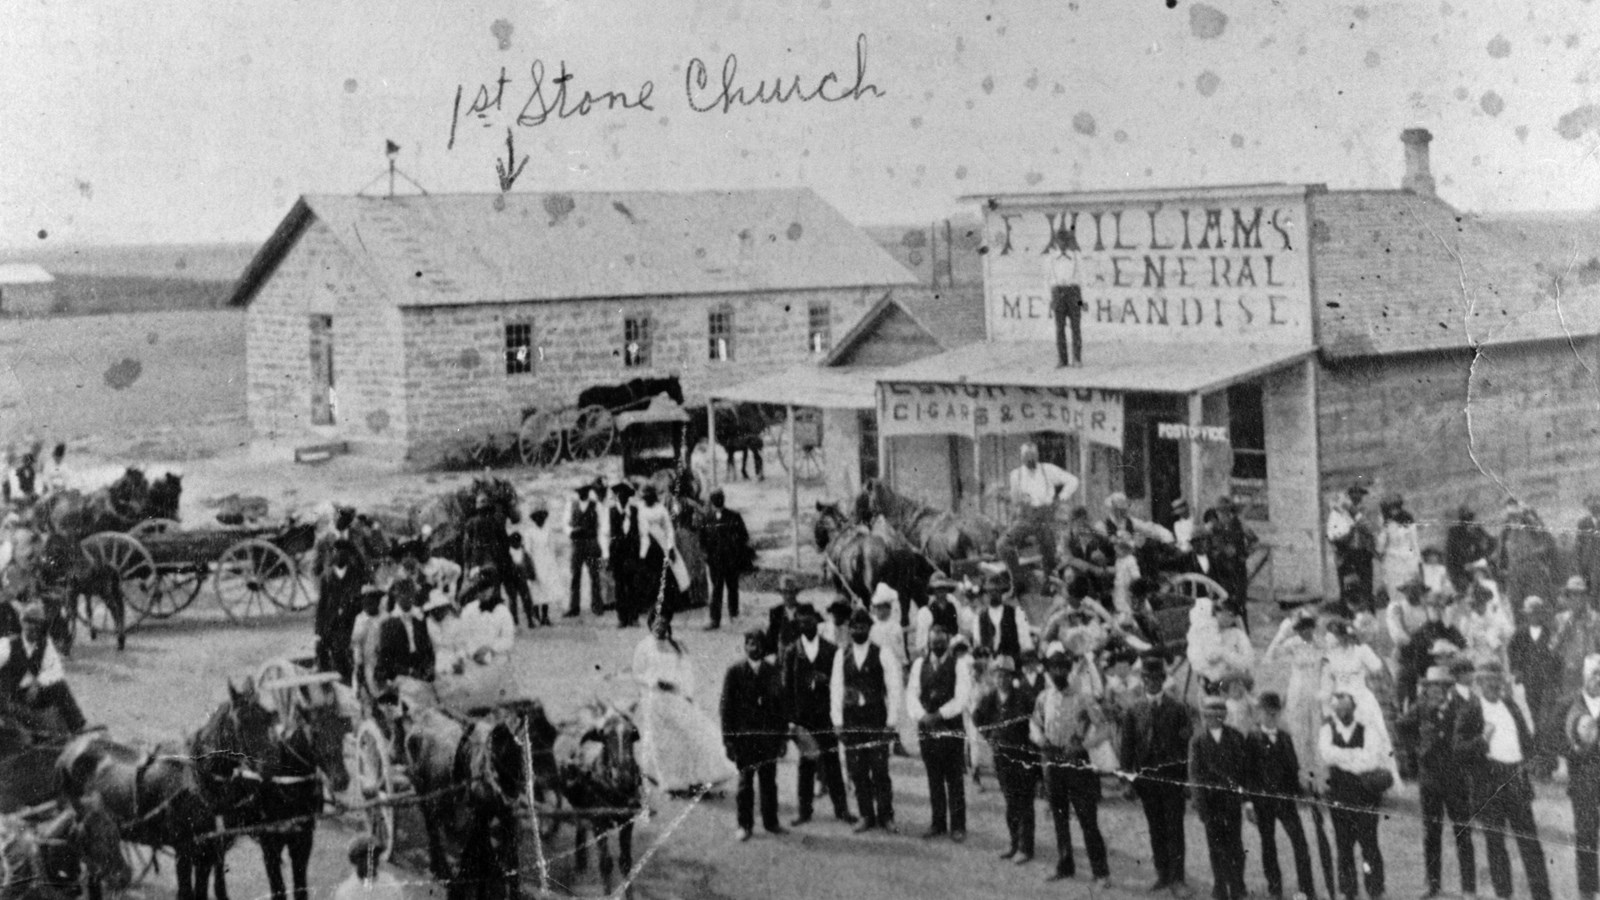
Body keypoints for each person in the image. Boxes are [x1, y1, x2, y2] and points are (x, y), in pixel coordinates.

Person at [1454, 659, 1552, 900]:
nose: (1493, 686)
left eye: (1497, 681)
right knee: (1495, 844)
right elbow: (1457, 749)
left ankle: (1542, 896)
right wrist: (1482, 741)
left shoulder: (1511, 706)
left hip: (1516, 779)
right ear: (1478, 683)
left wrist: (1534, 762)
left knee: (1530, 843)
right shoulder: (1471, 711)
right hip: (1489, 782)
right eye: (1488, 681)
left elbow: (1527, 742)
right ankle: (1503, 895)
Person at [1031, 643, 1110, 886]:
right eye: (1052, 668)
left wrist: (1084, 745)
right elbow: (1034, 724)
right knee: (1059, 816)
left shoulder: (1083, 697)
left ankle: (1101, 872)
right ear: (1048, 670)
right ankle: (1065, 865)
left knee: (1087, 818)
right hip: (1052, 761)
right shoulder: (1044, 696)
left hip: (1076, 762)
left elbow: (1105, 728)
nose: (1057, 673)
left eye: (1061, 668)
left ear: (1068, 669)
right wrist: (1040, 739)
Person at [632, 615, 738, 796]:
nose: (660, 628)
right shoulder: (644, 647)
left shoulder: (677, 646)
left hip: (676, 696)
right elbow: (638, 673)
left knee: (695, 734)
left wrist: (686, 693)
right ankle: (672, 783)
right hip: (655, 700)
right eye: (656, 624)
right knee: (665, 742)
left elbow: (687, 672)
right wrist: (655, 681)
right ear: (650, 626)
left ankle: (695, 778)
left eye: (663, 624)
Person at [1399, 665, 1478, 900]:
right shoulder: (1420, 708)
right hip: (1430, 780)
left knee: (1463, 833)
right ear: (1427, 688)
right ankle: (1433, 886)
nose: (1438, 691)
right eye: (1434, 686)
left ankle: (1469, 889)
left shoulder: (1462, 708)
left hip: (1456, 779)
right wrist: (1417, 749)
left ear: (1450, 688)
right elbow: (1402, 727)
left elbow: (1473, 736)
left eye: (1443, 686)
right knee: (1431, 833)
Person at [1120, 655, 1193, 892]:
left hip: (1171, 779)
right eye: (1147, 678)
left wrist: (1186, 781)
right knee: (1156, 828)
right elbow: (1127, 747)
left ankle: (1178, 878)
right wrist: (1127, 781)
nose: (1152, 682)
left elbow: (1186, 747)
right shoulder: (1134, 709)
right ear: (1142, 680)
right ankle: (1163, 874)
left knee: (1175, 828)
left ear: (1163, 679)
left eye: (1157, 677)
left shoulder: (1178, 708)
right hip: (1146, 780)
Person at [781, 605, 854, 826]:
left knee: (832, 761)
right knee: (806, 764)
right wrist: (791, 721)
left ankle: (841, 810)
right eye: (802, 622)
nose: (807, 625)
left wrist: (826, 681)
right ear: (798, 625)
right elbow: (787, 688)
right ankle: (804, 811)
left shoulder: (831, 650)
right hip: (804, 718)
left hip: (826, 715)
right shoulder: (792, 652)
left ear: (817, 622)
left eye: (810, 621)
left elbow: (839, 684)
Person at [830, 608, 902, 833]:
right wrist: (838, 722)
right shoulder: (842, 654)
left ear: (870, 629)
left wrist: (891, 723)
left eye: (862, 627)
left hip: (875, 718)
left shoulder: (883, 653)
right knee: (858, 770)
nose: (858, 630)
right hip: (852, 719)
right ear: (849, 629)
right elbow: (836, 689)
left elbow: (894, 689)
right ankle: (865, 815)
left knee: (880, 769)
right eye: (854, 627)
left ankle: (886, 815)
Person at [1244, 692, 1315, 900]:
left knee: (1300, 843)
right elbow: (1248, 772)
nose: (1271, 717)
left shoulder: (1285, 737)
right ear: (1260, 712)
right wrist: (1248, 802)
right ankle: (1275, 888)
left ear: (1279, 713)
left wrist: (1302, 791)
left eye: (1275, 713)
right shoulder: (1252, 737)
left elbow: (1292, 769)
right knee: (1268, 844)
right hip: (1263, 802)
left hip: (1285, 801)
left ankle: (1306, 889)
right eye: (1267, 713)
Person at [1320, 690, 1390, 900]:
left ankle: (1375, 890)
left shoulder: (1367, 730)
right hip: (1339, 795)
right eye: (1339, 708)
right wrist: (1355, 757)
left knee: (1369, 844)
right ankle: (1348, 891)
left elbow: (1371, 761)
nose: (1343, 712)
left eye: (1347, 708)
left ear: (1354, 708)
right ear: (1334, 710)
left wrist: (1341, 757)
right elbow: (1326, 755)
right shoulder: (1326, 729)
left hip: (1365, 795)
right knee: (1344, 845)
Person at [905, 621, 971, 842]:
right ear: (929, 642)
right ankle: (938, 823)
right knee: (934, 777)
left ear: (948, 641)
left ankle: (958, 826)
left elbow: (962, 698)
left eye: (942, 640)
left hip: (950, 727)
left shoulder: (958, 665)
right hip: (927, 728)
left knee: (954, 777)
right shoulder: (918, 665)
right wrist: (922, 716)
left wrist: (940, 714)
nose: (938, 644)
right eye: (934, 641)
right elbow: (911, 695)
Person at [720, 628, 788, 841]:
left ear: (764, 647)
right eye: (750, 643)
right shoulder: (734, 672)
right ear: (745, 646)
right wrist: (728, 740)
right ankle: (744, 825)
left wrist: (782, 738)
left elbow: (781, 707)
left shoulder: (773, 671)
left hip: (768, 739)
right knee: (745, 784)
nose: (754, 647)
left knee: (769, 782)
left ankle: (771, 822)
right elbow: (726, 708)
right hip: (744, 740)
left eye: (758, 643)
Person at [973, 654, 1038, 865]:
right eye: (998, 675)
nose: (1002, 680)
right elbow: (977, 717)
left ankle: (1025, 848)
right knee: (1010, 802)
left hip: (1023, 756)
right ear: (993, 676)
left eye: (1006, 676)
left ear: (1012, 677)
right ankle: (1013, 844)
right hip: (1001, 758)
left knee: (1025, 802)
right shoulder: (990, 698)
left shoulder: (1024, 698)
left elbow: (1035, 724)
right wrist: (989, 736)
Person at [1319, 616, 1400, 784]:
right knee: (1341, 735)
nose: (1330, 638)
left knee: (1370, 735)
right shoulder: (1329, 656)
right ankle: (1346, 778)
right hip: (1340, 700)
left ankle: (1373, 777)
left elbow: (1377, 667)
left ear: (1342, 635)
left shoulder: (1361, 650)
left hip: (1361, 698)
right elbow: (1327, 682)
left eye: (1333, 634)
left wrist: (1362, 674)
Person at [998, 443, 1078, 597]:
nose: (1030, 460)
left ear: (1038, 456)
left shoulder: (1048, 470)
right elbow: (1015, 500)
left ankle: (1049, 584)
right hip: (1025, 518)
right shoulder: (1016, 474)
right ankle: (1017, 582)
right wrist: (1017, 503)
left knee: (1049, 548)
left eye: (1033, 457)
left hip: (1045, 517)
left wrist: (1060, 498)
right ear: (1021, 458)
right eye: (1027, 457)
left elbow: (1073, 481)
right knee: (1003, 544)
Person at [1190, 695, 1248, 900]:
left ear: (1224, 716)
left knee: (1235, 846)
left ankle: (1238, 886)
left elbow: (1243, 771)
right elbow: (1195, 775)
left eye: (1218, 715)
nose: (1213, 719)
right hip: (1210, 802)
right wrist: (1200, 805)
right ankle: (1220, 886)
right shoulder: (1198, 741)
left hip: (1231, 802)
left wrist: (1245, 799)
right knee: (1216, 847)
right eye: (1209, 715)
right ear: (1204, 716)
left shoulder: (1235, 737)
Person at [0, 603, 86, 733]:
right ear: (22, 623)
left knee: (60, 687)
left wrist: (37, 683)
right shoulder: (8, 645)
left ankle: (78, 727)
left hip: (33, 694)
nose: (34, 627)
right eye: (30, 622)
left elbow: (56, 670)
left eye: (38, 623)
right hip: (12, 698)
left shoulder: (45, 644)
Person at [1264, 609, 1325, 789]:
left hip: (1317, 693)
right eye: (1300, 628)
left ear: (1313, 627)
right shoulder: (1292, 644)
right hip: (1298, 692)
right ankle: (1302, 780)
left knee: (1318, 735)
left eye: (1308, 627)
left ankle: (1320, 782)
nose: (1305, 631)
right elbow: (1270, 657)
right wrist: (1282, 633)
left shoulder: (1321, 643)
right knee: (1299, 735)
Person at [1508, 595, 1561, 772]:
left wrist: (1555, 677)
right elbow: (1512, 651)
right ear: (1526, 615)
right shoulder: (1521, 633)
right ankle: (1535, 759)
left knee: (1545, 721)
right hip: (1530, 683)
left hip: (1547, 684)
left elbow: (1557, 657)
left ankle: (1547, 762)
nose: (1534, 617)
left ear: (1542, 614)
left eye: (1537, 613)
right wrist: (1517, 670)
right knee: (1532, 718)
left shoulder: (1549, 632)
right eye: (1531, 614)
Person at [1563, 653, 1600, 900]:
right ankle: (1587, 891)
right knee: (1586, 836)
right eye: (1593, 674)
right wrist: (1573, 749)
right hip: (1584, 779)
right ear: (1583, 676)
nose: (1598, 679)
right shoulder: (1568, 703)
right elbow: (1551, 738)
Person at [702, 488, 752, 631]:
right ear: (711, 501)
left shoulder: (734, 516)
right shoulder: (707, 518)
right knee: (716, 590)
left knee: (732, 588)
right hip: (715, 562)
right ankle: (715, 619)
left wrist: (737, 552)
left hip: (731, 560)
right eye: (715, 498)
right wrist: (706, 555)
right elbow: (702, 539)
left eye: (720, 497)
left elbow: (744, 536)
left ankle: (734, 614)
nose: (718, 500)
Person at [1207, 496, 1258, 631]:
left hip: (1237, 569)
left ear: (1230, 511)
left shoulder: (1240, 524)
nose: (1222, 514)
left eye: (1225, 511)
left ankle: (1243, 635)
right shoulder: (1213, 526)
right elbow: (1206, 543)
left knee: (1239, 604)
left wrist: (1243, 555)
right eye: (1219, 511)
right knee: (1223, 602)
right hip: (1221, 569)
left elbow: (1254, 541)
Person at [315, 541, 365, 677]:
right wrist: (318, 630)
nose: (336, 555)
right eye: (334, 552)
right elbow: (322, 604)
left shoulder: (356, 574)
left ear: (347, 555)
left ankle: (346, 677)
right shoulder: (327, 577)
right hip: (332, 623)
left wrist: (348, 609)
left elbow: (359, 601)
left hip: (350, 623)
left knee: (339, 650)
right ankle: (326, 677)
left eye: (340, 552)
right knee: (320, 648)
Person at [372, 584, 433, 691]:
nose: (407, 599)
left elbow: (427, 647)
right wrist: (409, 671)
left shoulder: (419, 619)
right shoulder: (388, 624)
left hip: (420, 668)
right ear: (397, 597)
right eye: (403, 595)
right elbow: (386, 658)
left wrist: (428, 667)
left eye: (410, 595)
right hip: (401, 672)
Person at [1327, 485, 1376, 611]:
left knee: (1366, 584)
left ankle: (1368, 611)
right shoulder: (1339, 512)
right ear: (1349, 495)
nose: (1356, 496)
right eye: (1353, 493)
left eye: (1359, 493)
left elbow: (1371, 528)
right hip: (1346, 552)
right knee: (1346, 585)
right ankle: (1347, 612)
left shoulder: (1366, 511)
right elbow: (1332, 533)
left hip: (1363, 552)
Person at [1191, 599, 1254, 696]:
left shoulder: (1237, 634)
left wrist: (1224, 654)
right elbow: (1207, 658)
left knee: (1241, 679)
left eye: (1231, 615)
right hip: (1214, 678)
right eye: (1223, 613)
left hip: (1234, 676)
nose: (1227, 618)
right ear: (1216, 613)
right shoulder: (1207, 632)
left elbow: (1248, 660)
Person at [635, 485, 679, 619]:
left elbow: (669, 529)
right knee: (645, 575)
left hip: (660, 545)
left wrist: (670, 546)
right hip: (645, 545)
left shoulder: (661, 509)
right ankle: (646, 604)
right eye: (645, 497)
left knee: (662, 575)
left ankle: (664, 604)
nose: (647, 499)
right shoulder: (640, 509)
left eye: (649, 497)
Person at [975, 571, 1034, 667]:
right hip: (990, 665)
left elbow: (1025, 641)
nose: (992, 594)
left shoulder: (1016, 612)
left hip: (1012, 662)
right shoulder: (980, 616)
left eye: (996, 590)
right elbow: (978, 642)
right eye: (990, 591)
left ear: (1001, 591)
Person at [1376, 493, 1422, 607]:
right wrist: (1383, 530)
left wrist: (1417, 561)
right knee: (1395, 594)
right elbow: (1380, 547)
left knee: (1408, 594)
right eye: (1390, 508)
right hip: (1392, 563)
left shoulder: (1408, 520)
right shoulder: (1385, 522)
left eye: (1395, 507)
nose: (1393, 511)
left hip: (1408, 561)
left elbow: (1414, 543)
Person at [566, 483, 603, 619]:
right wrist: (572, 531)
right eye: (580, 490)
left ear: (588, 491)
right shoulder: (572, 504)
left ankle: (597, 605)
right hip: (577, 544)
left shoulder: (596, 505)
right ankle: (574, 607)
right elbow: (565, 523)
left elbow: (602, 524)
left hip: (591, 542)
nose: (583, 493)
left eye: (585, 490)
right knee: (575, 576)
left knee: (595, 575)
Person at [521, 504, 558, 627]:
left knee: (546, 589)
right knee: (535, 589)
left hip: (546, 562)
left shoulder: (548, 530)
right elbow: (527, 551)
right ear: (534, 518)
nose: (540, 519)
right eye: (537, 517)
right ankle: (536, 615)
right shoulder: (529, 532)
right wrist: (529, 566)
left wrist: (552, 564)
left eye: (542, 516)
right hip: (534, 562)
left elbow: (552, 548)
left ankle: (545, 616)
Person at [1446, 505, 1497, 594]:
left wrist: (1484, 553)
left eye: (1471, 519)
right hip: (1463, 569)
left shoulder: (1478, 530)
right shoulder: (1455, 533)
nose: (1470, 523)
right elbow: (1453, 556)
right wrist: (1464, 567)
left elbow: (1491, 544)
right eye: (1466, 520)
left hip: (1479, 565)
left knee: (1488, 584)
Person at [333, 836, 403, 900]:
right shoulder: (346, 891)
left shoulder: (390, 884)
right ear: (356, 860)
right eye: (367, 858)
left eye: (375, 857)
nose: (372, 862)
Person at [348, 586, 386, 697]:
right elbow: (357, 644)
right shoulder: (360, 620)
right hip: (368, 663)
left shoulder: (385, 618)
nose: (370, 603)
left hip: (385, 661)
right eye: (367, 600)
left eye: (373, 599)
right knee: (369, 689)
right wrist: (359, 665)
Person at [504, 531, 540, 629]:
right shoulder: (507, 553)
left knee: (527, 599)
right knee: (513, 600)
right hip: (510, 579)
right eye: (514, 542)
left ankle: (530, 620)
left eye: (518, 542)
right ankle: (514, 622)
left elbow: (529, 565)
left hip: (522, 579)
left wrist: (532, 575)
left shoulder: (524, 552)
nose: (517, 544)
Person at [766, 575, 805, 652]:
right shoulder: (776, 612)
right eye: (785, 593)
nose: (788, 596)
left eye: (791, 592)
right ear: (781, 594)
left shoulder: (804, 610)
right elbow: (772, 637)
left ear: (796, 593)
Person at [1580, 497, 1600, 601]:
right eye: (1590, 504)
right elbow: (1579, 545)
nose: (1594, 505)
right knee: (1590, 593)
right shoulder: (1583, 523)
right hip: (1588, 564)